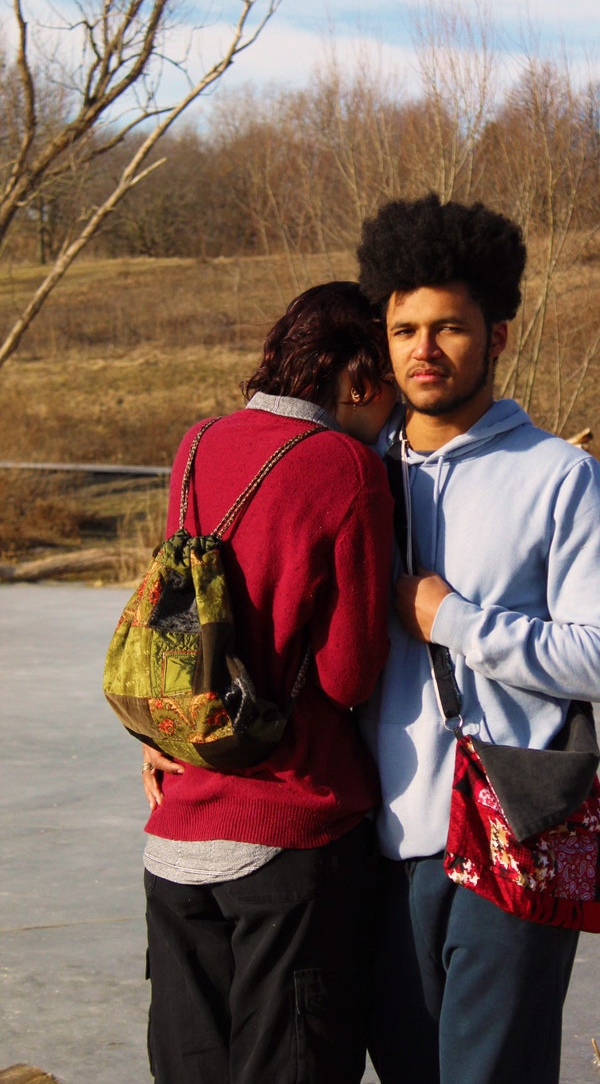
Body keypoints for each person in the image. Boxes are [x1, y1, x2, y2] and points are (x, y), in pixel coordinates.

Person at [355, 194, 600, 1084]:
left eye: (449, 327)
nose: (424, 350)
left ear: (499, 335)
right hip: (376, 845)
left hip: (508, 830)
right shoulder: (356, 471)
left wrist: (454, 619)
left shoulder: (560, 474)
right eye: (405, 328)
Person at [138, 282, 396, 1084]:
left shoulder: (198, 441)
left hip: (178, 832)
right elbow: (349, 674)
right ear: (359, 379)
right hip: (290, 833)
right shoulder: (347, 468)